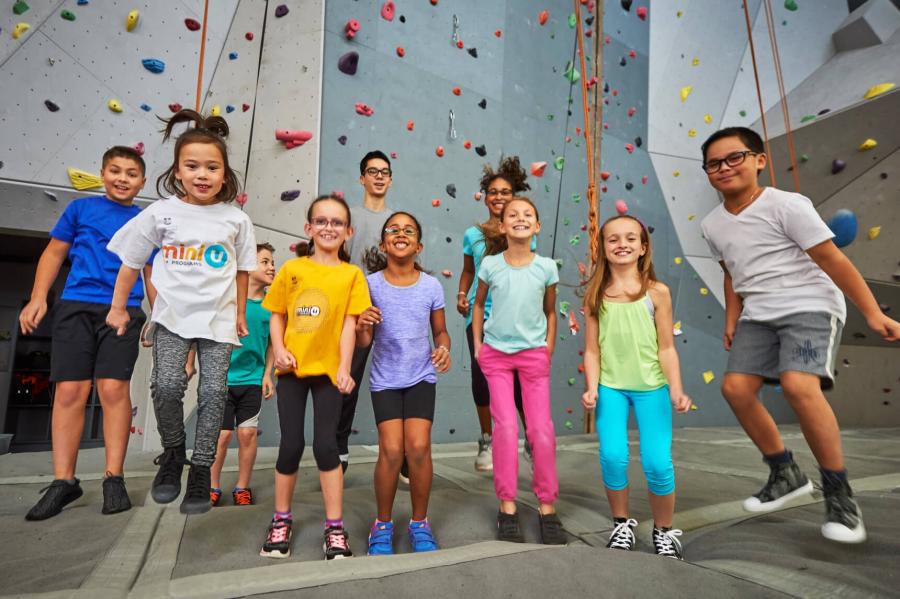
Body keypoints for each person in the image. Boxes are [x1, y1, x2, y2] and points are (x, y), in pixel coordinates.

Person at [699, 126, 900, 543]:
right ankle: (785, 471)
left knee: (798, 385)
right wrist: (731, 320)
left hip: (810, 305)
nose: (724, 168)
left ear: (759, 160)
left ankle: (839, 493)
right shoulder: (712, 224)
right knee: (735, 389)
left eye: (734, 157)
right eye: (714, 163)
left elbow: (832, 259)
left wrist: (873, 313)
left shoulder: (787, 205)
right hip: (758, 313)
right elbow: (731, 274)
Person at [106, 109, 257, 515]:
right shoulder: (161, 212)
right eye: (192, 166)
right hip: (172, 317)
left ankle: (202, 468)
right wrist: (119, 307)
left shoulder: (236, 219)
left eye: (212, 167)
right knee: (168, 385)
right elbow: (132, 262)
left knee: (212, 392)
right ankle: (173, 454)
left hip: (219, 319)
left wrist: (241, 313)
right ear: (177, 170)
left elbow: (243, 271)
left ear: (225, 174)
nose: (202, 174)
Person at [19, 146, 154, 520]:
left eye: (130, 173)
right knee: (70, 391)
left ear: (141, 182)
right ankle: (64, 481)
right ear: (102, 173)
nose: (122, 178)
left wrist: (158, 316)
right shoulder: (79, 209)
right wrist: (38, 298)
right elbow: (53, 253)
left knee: (113, 389)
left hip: (124, 309)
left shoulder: (146, 220)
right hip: (75, 306)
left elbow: (150, 273)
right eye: (115, 170)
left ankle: (114, 477)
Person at [259, 194, 370, 560]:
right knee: (291, 445)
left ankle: (334, 527)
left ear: (348, 232)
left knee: (326, 446)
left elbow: (349, 326)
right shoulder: (292, 270)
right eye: (321, 221)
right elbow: (277, 315)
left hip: (327, 375)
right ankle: (281, 520)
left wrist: (343, 368)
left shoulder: (352, 275)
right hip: (292, 371)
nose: (328, 227)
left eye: (337, 222)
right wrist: (280, 351)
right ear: (308, 228)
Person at [581, 215, 693, 560]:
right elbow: (592, 349)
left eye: (631, 238)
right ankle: (621, 523)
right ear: (604, 248)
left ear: (643, 247)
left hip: (652, 388)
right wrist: (591, 387)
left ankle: (663, 530)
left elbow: (666, 347)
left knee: (658, 463)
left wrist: (676, 388)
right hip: (611, 388)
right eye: (613, 239)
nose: (622, 244)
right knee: (613, 456)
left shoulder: (657, 293)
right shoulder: (595, 294)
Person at [472, 197, 566, 546]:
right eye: (513, 214)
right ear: (502, 225)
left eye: (528, 214)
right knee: (507, 429)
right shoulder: (491, 266)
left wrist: (549, 346)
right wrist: (480, 346)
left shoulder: (546, 268)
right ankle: (507, 505)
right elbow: (478, 304)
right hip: (496, 355)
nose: (520, 218)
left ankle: (547, 506)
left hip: (533, 356)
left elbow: (551, 311)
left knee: (541, 431)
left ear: (537, 226)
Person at [356, 212, 451, 555]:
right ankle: (382, 524)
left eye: (408, 230)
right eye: (393, 229)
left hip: (421, 376)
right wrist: (363, 323)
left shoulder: (431, 286)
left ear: (418, 245)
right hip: (385, 380)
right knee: (392, 451)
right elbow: (364, 341)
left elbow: (440, 332)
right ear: (383, 244)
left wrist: (443, 349)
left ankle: (419, 522)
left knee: (419, 448)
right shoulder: (369, 284)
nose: (400, 233)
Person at [456, 157, 531, 472]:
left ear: (514, 197)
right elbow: (467, 271)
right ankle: (487, 438)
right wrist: (462, 294)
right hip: (480, 318)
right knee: (481, 380)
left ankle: (532, 438)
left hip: (514, 317)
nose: (499, 197)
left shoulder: (524, 230)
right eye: (493, 192)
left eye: (505, 192)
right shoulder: (472, 234)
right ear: (485, 197)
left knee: (519, 385)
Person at [337, 150, 393, 473]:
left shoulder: (396, 220)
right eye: (373, 171)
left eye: (385, 171)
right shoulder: (350, 218)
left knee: (397, 381)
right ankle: (339, 447)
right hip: (355, 313)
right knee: (349, 380)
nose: (379, 176)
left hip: (389, 311)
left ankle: (398, 452)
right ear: (362, 178)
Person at [209, 243, 276, 507]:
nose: (271, 267)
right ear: (248, 266)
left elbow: (273, 343)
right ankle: (212, 486)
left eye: (272, 262)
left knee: (247, 435)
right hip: (223, 381)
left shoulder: (272, 306)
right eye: (265, 262)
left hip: (252, 380)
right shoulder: (228, 300)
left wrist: (268, 374)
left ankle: (242, 487)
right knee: (223, 436)